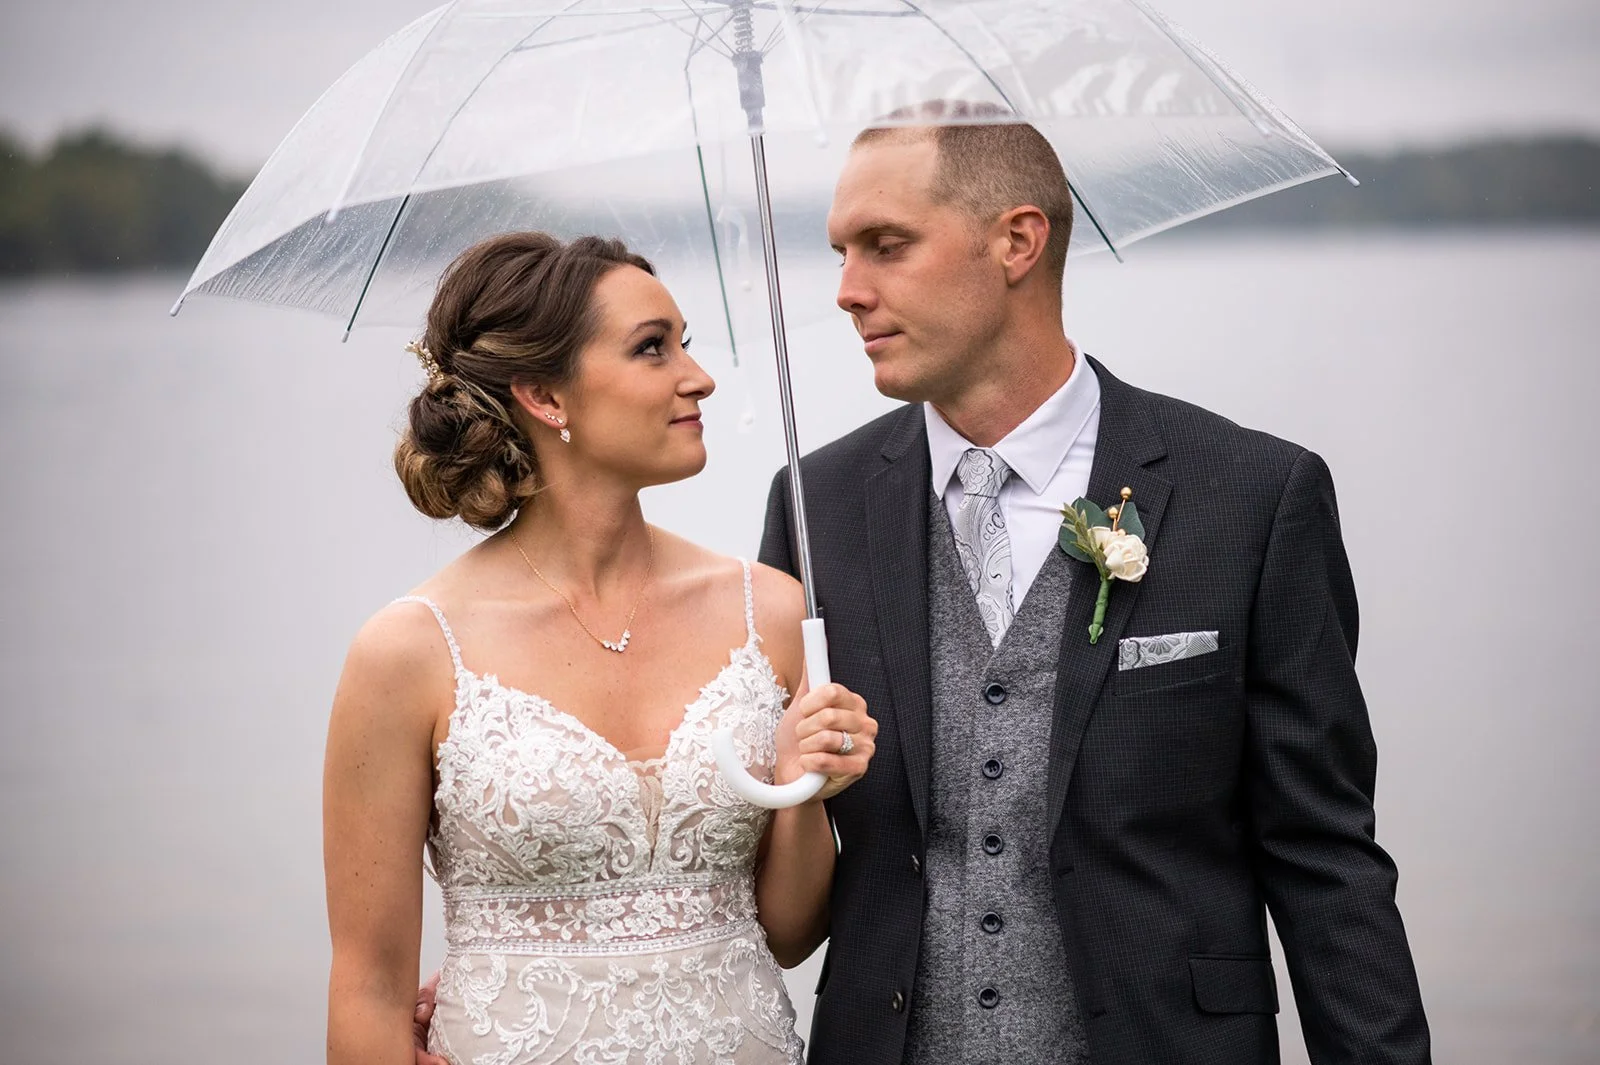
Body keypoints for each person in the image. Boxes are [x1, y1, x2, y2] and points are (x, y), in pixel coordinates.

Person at [755, 102, 1432, 1064]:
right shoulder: (814, 505)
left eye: (886, 246)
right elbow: (776, 861)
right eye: (840, 254)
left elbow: (1324, 855)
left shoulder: (1251, 494)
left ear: (1018, 241)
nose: (848, 291)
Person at [323, 231, 876, 1065]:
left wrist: (799, 784)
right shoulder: (409, 651)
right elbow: (366, 991)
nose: (699, 375)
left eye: (684, 342)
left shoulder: (768, 610)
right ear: (546, 395)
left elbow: (793, 935)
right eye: (653, 348)